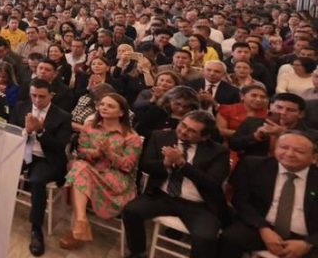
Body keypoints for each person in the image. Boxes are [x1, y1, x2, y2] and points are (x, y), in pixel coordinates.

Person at [122, 111, 230, 258]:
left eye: (191, 131)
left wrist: (182, 164)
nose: (183, 131)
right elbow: (145, 165)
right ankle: (138, 252)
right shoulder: (160, 136)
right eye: (183, 125)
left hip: (199, 205)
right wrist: (164, 163)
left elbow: (212, 183)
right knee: (131, 210)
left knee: (205, 237)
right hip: (162, 196)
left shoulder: (218, 152)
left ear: (205, 137)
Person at [59, 93, 143, 250]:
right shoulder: (89, 127)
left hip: (115, 178)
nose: (104, 107)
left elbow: (128, 166)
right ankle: (81, 222)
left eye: (110, 106)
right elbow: (82, 150)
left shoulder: (131, 137)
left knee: (78, 171)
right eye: (102, 104)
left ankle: (77, 227)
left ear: (121, 112)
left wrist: (110, 154)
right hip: (90, 169)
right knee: (79, 168)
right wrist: (96, 153)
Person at [219, 131, 318, 258]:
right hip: (262, 225)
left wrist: (308, 243)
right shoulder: (254, 165)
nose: (289, 154)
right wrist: (263, 228)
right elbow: (240, 201)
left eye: (299, 151)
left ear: (314, 157)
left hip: (308, 235)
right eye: (283, 147)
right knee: (230, 238)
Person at [10, 80, 73, 256]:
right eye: (33, 95)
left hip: (47, 158)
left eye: (41, 96)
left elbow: (59, 147)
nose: (37, 100)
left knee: (37, 182)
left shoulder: (62, 116)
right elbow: (11, 131)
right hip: (23, 152)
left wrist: (40, 131)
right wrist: (26, 131)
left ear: (50, 95)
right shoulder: (21, 107)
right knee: (0, 166)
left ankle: (36, 229)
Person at [231, 92, 311, 161]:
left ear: (301, 114)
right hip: (254, 168)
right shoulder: (251, 122)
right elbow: (233, 145)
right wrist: (255, 136)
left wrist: (283, 133)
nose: (283, 112)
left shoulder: (310, 134)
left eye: (290, 110)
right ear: (270, 107)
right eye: (279, 107)